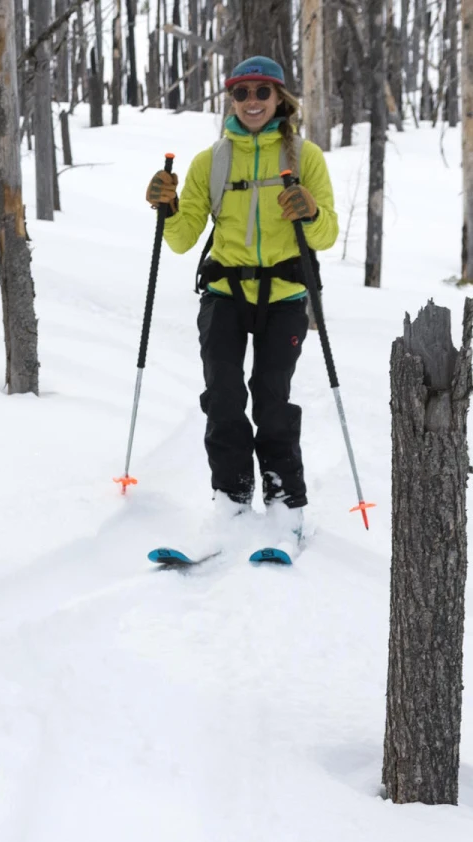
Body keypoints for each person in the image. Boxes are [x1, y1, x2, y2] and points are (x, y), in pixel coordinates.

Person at [145, 56, 338, 519]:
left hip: (286, 297)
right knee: (224, 398)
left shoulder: (304, 158)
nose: (252, 101)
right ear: (230, 98)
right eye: (241, 92)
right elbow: (182, 239)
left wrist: (310, 211)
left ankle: (284, 500)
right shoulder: (211, 161)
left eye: (262, 92)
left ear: (280, 99)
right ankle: (231, 499)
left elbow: (326, 236)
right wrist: (167, 209)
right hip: (224, 295)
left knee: (272, 400)